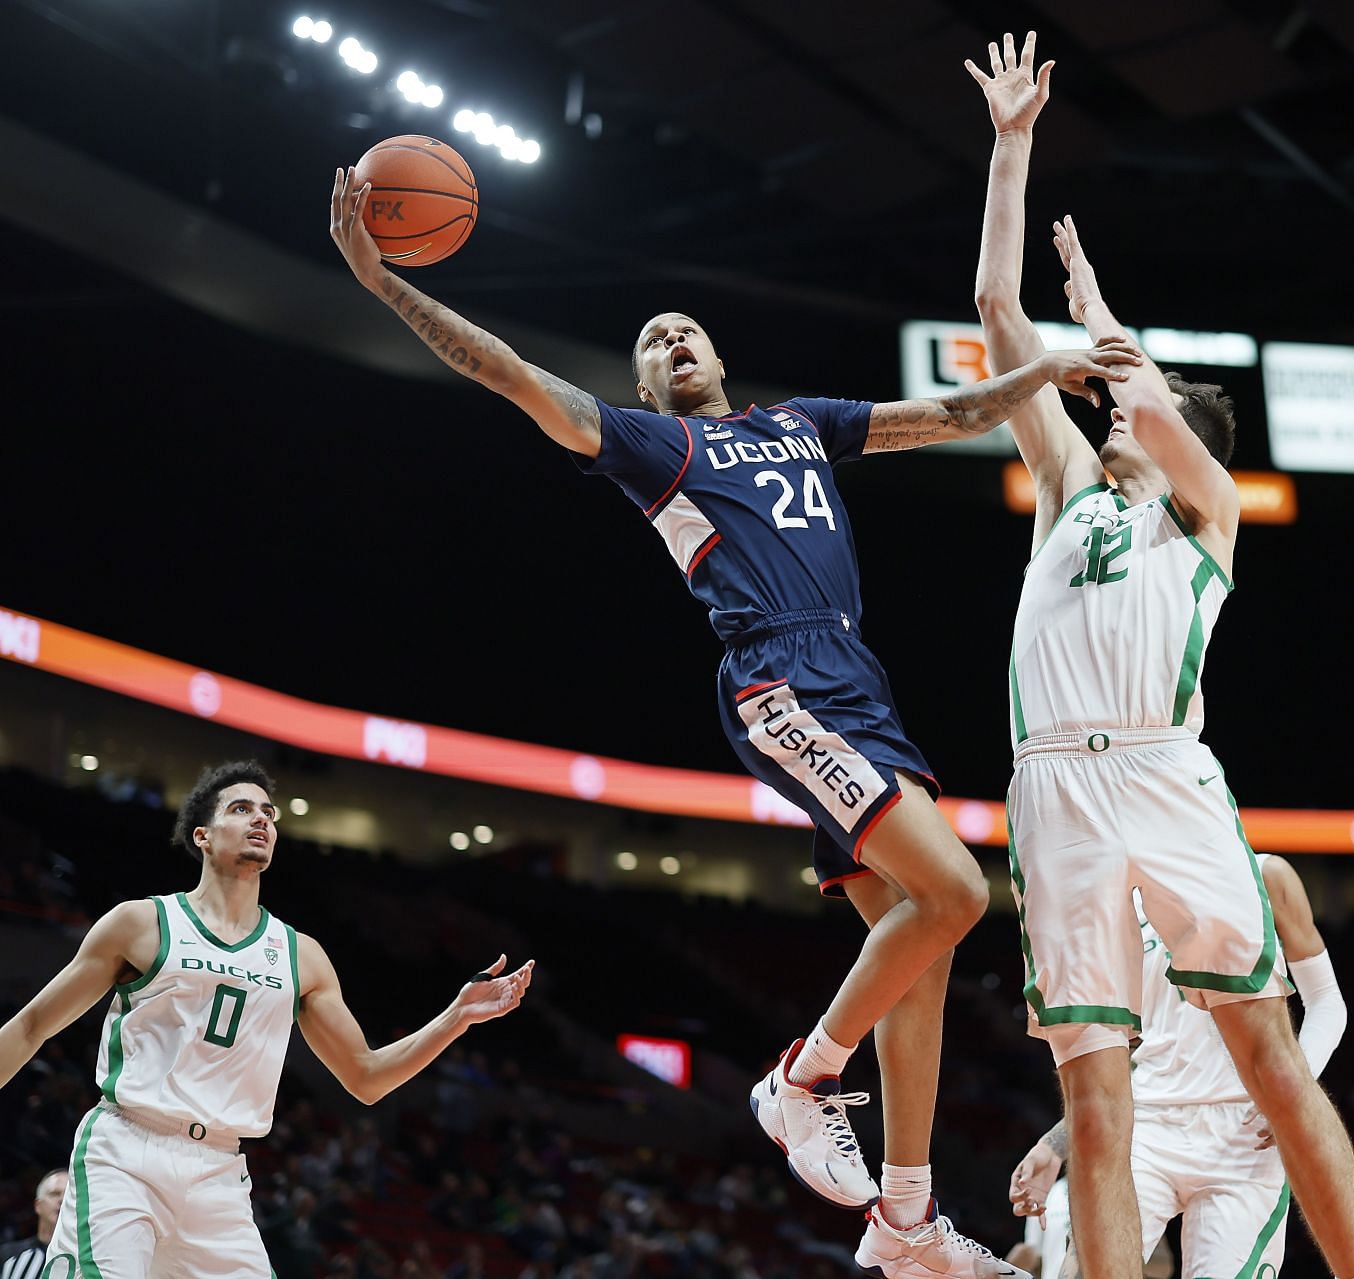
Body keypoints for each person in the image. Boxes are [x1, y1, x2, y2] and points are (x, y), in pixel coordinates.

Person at [329, 173, 1135, 1278]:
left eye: (685, 329)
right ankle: (800, 1077)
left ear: (717, 353)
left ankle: (905, 1220)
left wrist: (1046, 368)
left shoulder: (803, 423)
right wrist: (385, 284)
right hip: (779, 679)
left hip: (859, 679)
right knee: (959, 893)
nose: (671, 341)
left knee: (923, 944)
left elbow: (956, 415)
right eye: (652, 342)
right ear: (649, 384)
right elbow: (507, 369)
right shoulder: (654, 452)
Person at [967, 31, 1354, 1279]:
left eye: (1124, 396)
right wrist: (1011, 149)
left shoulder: (1207, 507)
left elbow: (1141, 394)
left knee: (1262, 1043)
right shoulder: (1063, 486)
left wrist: (1100, 319)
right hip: (1051, 780)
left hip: (1163, 768)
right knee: (1095, 1088)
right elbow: (994, 312)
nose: (1099, 401)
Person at [0, 760, 533, 1277]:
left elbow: (366, 1077)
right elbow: (30, 1027)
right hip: (126, 1150)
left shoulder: (301, 955)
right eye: (241, 808)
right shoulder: (143, 923)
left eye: (269, 813)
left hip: (219, 1170)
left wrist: (455, 1018)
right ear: (203, 835)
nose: (261, 820)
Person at [1006, 854, 1349, 1278]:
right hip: (1146, 1126)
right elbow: (1127, 1050)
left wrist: (1289, 1095)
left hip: (1243, 1134)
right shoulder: (1126, 895)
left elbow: (1327, 1002)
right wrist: (1055, 1144)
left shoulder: (1265, 875)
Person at [0, 1170, 66, 1279]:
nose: (62, 1200)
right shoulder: (8, 1254)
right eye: (54, 1194)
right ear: (38, 1205)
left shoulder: (91, 1260)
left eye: (70, 1195)